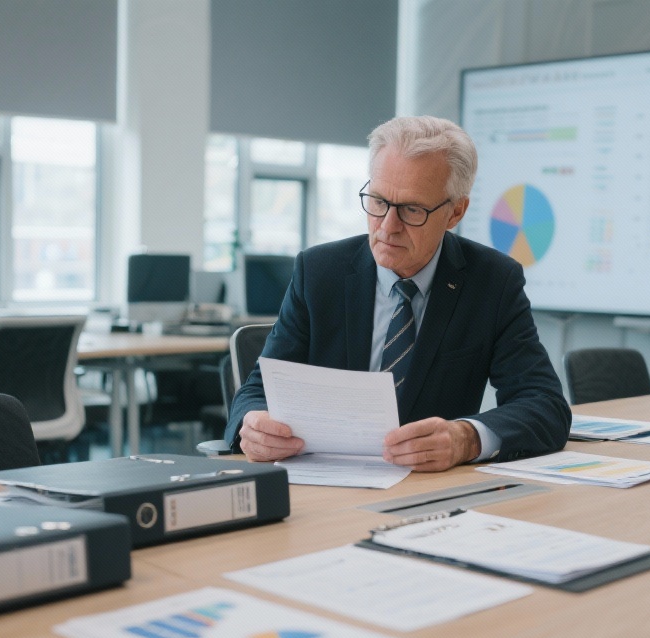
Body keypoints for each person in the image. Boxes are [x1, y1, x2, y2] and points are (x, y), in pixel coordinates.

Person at [225, 115, 570, 472]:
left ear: (455, 212)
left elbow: (545, 405)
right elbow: (256, 391)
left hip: (432, 492)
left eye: (412, 210)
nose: (388, 227)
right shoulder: (319, 272)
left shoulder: (492, 282)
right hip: (323, 485)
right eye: (377, 201)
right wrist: (253, 424)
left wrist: (465, 439)